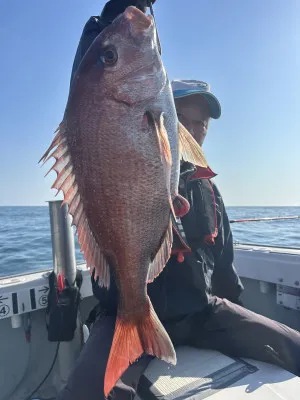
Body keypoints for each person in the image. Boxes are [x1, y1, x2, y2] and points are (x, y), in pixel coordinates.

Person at [57, 1, 300, 399]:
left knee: (292, 344)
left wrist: (236, 315)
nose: (195, 129)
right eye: (185, 119)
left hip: (201, 313)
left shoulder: (208, 189)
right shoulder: (122, 129)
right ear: (166, 117)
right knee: (85, 393)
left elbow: (223, 265)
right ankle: (135, 330)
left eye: (201, 123)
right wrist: (115, 15)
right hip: (124, 310)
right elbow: (87, 95)